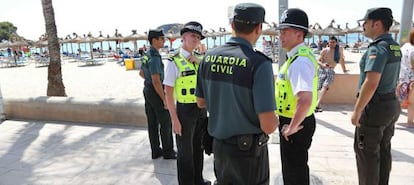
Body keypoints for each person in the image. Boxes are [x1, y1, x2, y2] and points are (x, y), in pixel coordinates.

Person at [196, 3, 278, 184]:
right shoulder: (259, 64)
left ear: (232, 25)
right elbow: (269, 125)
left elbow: (200, 102)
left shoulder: (208, 58)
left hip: (219, 147)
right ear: (259, 28)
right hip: (248, 153)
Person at [351, 8, 401, 185]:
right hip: (390, 104)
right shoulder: (394, 46)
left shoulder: (378, 48)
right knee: (383, 150)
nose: (363, 26)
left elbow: (371, 83)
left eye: (365, 22)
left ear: (377, 24)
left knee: (367, 156)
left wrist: (357, 111)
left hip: (376, 108)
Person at [275, 8, 318, 185]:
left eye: (285, 32)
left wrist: (292, 127)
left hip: (295, 123)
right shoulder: (299, 57)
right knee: (296, 168)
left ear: (299, 34)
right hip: (298, 120)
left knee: (294, 172)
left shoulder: (299, 62)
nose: (281, 36)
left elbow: (305, 100)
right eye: (281, 31)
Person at [164, 21, 210, 185]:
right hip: (184, 111)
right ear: (183, 37)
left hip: (200, 109)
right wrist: (174, 120)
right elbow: (168, 92)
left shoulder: (200, 60)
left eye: (198, 37)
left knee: (199, 148)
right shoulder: (173, 60)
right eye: (192, 36)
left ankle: (198, 180)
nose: (196, 39)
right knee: (185, 153)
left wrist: (199, 61)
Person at [138, 29, 176, 160]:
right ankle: (168, 151)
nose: (164, 41)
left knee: (152, 123)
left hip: (147, 90)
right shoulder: (154, 57)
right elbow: (156, 81)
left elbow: (141, 73)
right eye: (162, 39)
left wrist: (150, 82)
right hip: (155, 91)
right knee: (165, 122)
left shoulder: (147, 54)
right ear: (154, 40)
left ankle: (156, 150)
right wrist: (164, 98)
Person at [315, 36, 347, 112]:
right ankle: (317, 104)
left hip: (331, 70)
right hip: (322, 69)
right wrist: (322, 65)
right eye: (331, 42)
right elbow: (318, 61)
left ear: (336, 43)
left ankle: (317, 104)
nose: (332, 44)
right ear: (328, 42)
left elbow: (342, 60)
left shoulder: (338, 51)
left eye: (333, 42)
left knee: (325, 86)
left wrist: (344, 70)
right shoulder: (325, 51)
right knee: (320, 87)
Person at [397, 29, 414, 127]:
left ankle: (391, 119)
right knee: (412, 102)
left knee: (401, 100)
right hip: (412, 80)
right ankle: (410, 122)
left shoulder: (405, 47)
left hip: (402, 78)